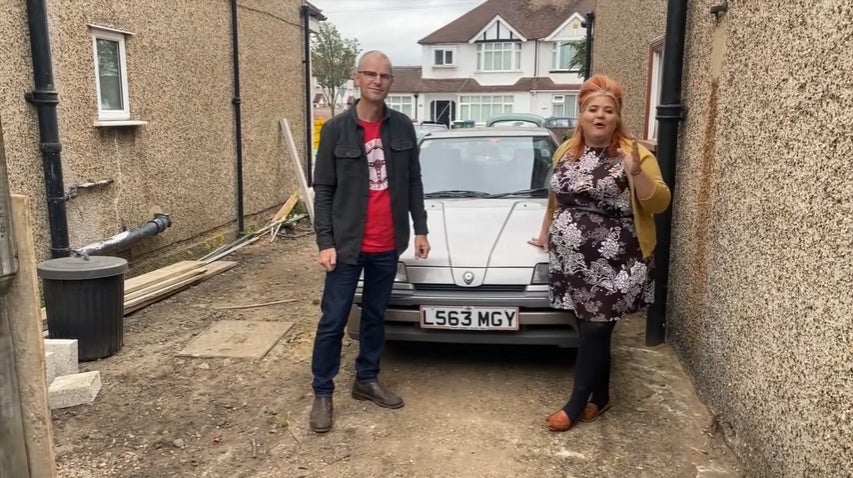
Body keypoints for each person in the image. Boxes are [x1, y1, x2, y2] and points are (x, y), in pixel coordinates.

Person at [528, 74, 671, 432]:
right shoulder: (566, 150)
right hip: (572, 260)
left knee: (594, 328)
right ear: (581, 114)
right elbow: (555, 197)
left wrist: (636, 173)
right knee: (591, 329)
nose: (600, 116)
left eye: (608, 110)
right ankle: (601, 397)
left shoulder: (633, 152)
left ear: (617, 116)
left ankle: (575, 404)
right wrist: (546, 233)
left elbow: (659, 202)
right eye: (593, 109)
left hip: (618, 259)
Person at [309, 50, 430, 433]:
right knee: (333, 320)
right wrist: (324, 241)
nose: (378, 81)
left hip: (387, 243)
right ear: (356, 78)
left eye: (385, 76)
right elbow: (324, 189)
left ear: (391, 83)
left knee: (376, 317)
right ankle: (322, 392)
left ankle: (366, 379)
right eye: (370, 74)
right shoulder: (335, 130)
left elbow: (413, 181)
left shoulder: (403, 128)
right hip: (346, 245)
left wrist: (421, 228)